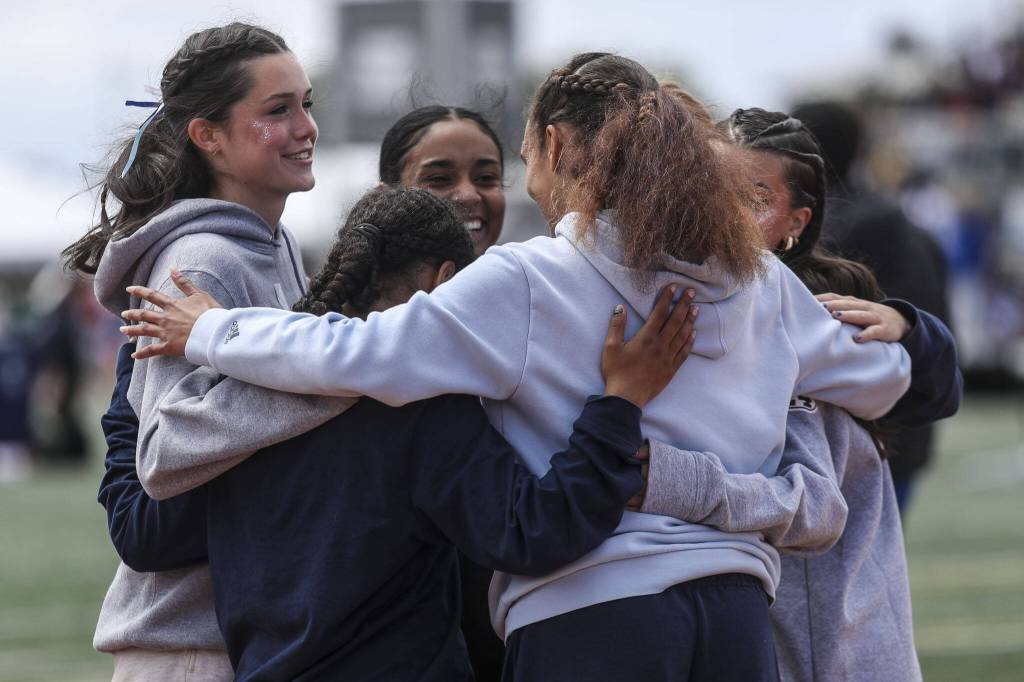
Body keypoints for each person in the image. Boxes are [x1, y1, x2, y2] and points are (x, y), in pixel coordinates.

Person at [124, 53, 911, 681]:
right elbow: (877, 384)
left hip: (593, 614)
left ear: (561, 148)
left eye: (523, 152)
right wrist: (903, 340)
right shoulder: (761, 278)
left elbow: (358, 350)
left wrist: (213, 332)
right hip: (738, 612)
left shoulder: (531, 278)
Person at [63, 22, 354, 680]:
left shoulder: (274, 244)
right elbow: (164, 465)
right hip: (188, 648)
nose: (305, 127)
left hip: (242, 636)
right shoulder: (202, 261)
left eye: (307, 103)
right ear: (208, 135)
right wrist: (348, 377)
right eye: (277, 110)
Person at [637, 108, 961, 682]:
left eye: (754, 197)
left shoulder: (824, 314)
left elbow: (929, 389)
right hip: (718, 622)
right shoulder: (659, 294)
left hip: (835, 634)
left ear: (796, 220)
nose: (726, 215)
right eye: (714, 191)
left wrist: (913, 332)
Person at [792, 100, 953, 514]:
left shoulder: (825, 232)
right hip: (905, 427)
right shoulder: (910, 226)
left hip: (862, 439)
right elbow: (945, 343)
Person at [380, 106, 506, 255]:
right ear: (383, 200)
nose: (468, 196)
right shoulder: (352, 277)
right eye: (439, 179)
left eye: (486, 178)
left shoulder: (530, 276)